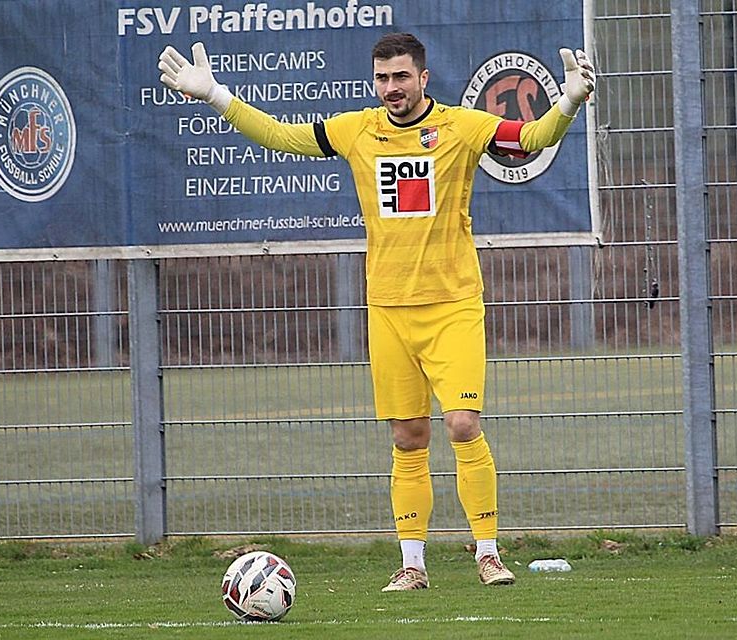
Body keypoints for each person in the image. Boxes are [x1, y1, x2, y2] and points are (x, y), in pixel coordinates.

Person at [159, 32, 595, 591]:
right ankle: (413, 565)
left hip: (453, 303)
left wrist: (567, 103)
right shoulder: (357, 129)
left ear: (423, 78)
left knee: (463, 424)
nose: (391, 87)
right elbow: (282, 137)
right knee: (409, 437)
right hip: (388, 309)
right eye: (382, 77)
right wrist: (216, 96)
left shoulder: (462, 127)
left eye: (401, 77)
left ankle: (487, 553)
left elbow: (530, 137)